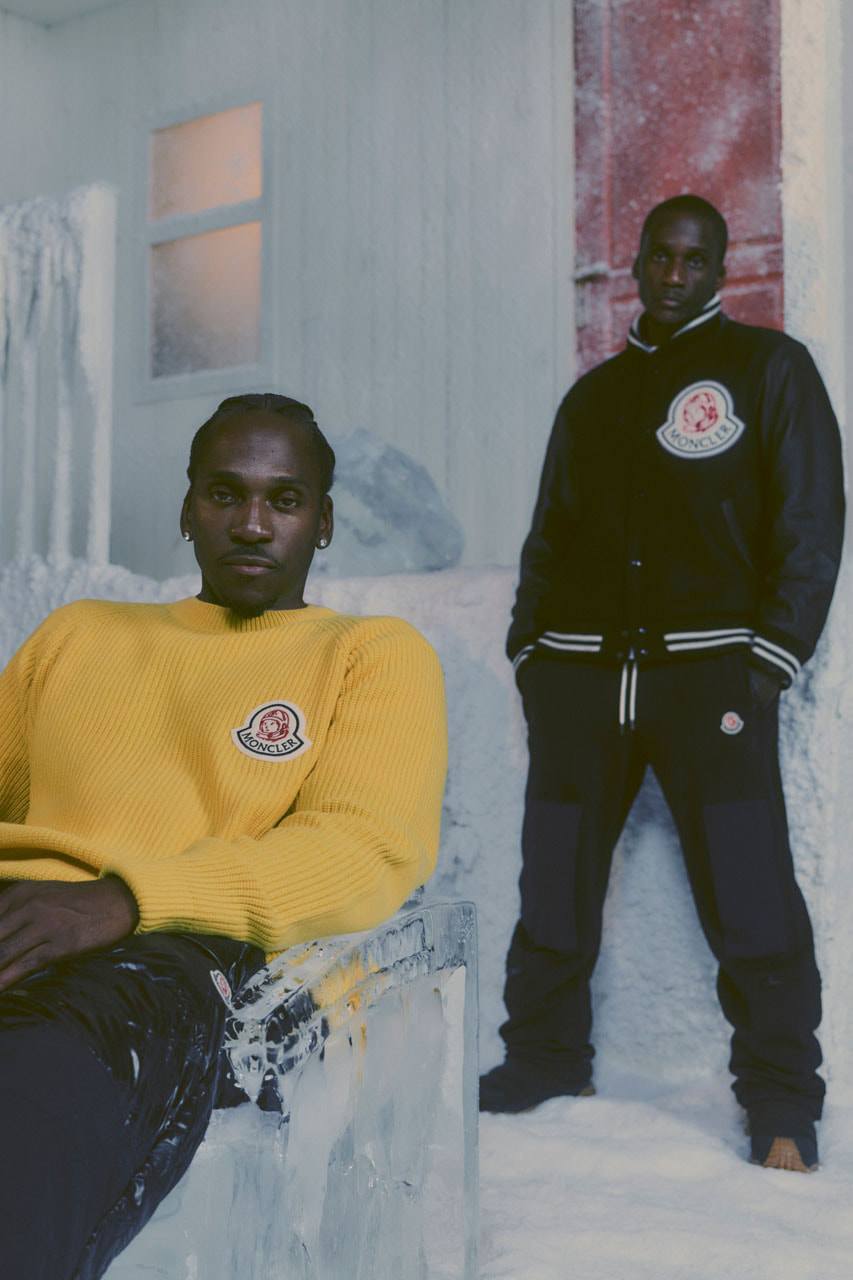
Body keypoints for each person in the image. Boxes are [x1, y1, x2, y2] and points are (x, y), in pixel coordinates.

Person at [0, 393, 447, 1278]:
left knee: (31, 1097)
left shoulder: (370, 654)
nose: (251, 523)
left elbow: (361, 849)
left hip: (182, 957)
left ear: (323, 523)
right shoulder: (79, 634)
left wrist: (126, 900)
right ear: (187, 509)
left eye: (284, 500)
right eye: (223, 493)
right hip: (24, 919)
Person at [479, 195, 845, 1174]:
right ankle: (543, 1061)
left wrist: (769, 659)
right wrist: (531, 654)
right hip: (580, 680)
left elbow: (811, 522)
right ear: (635, 262)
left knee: (750, 889)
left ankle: (780, 1101)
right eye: (660, 255)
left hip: (709, 678)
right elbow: (548, 536)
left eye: (694, 258)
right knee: (553, 883)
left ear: (720, 268)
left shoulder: (768, 369)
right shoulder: (592, 399)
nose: (674, 273)